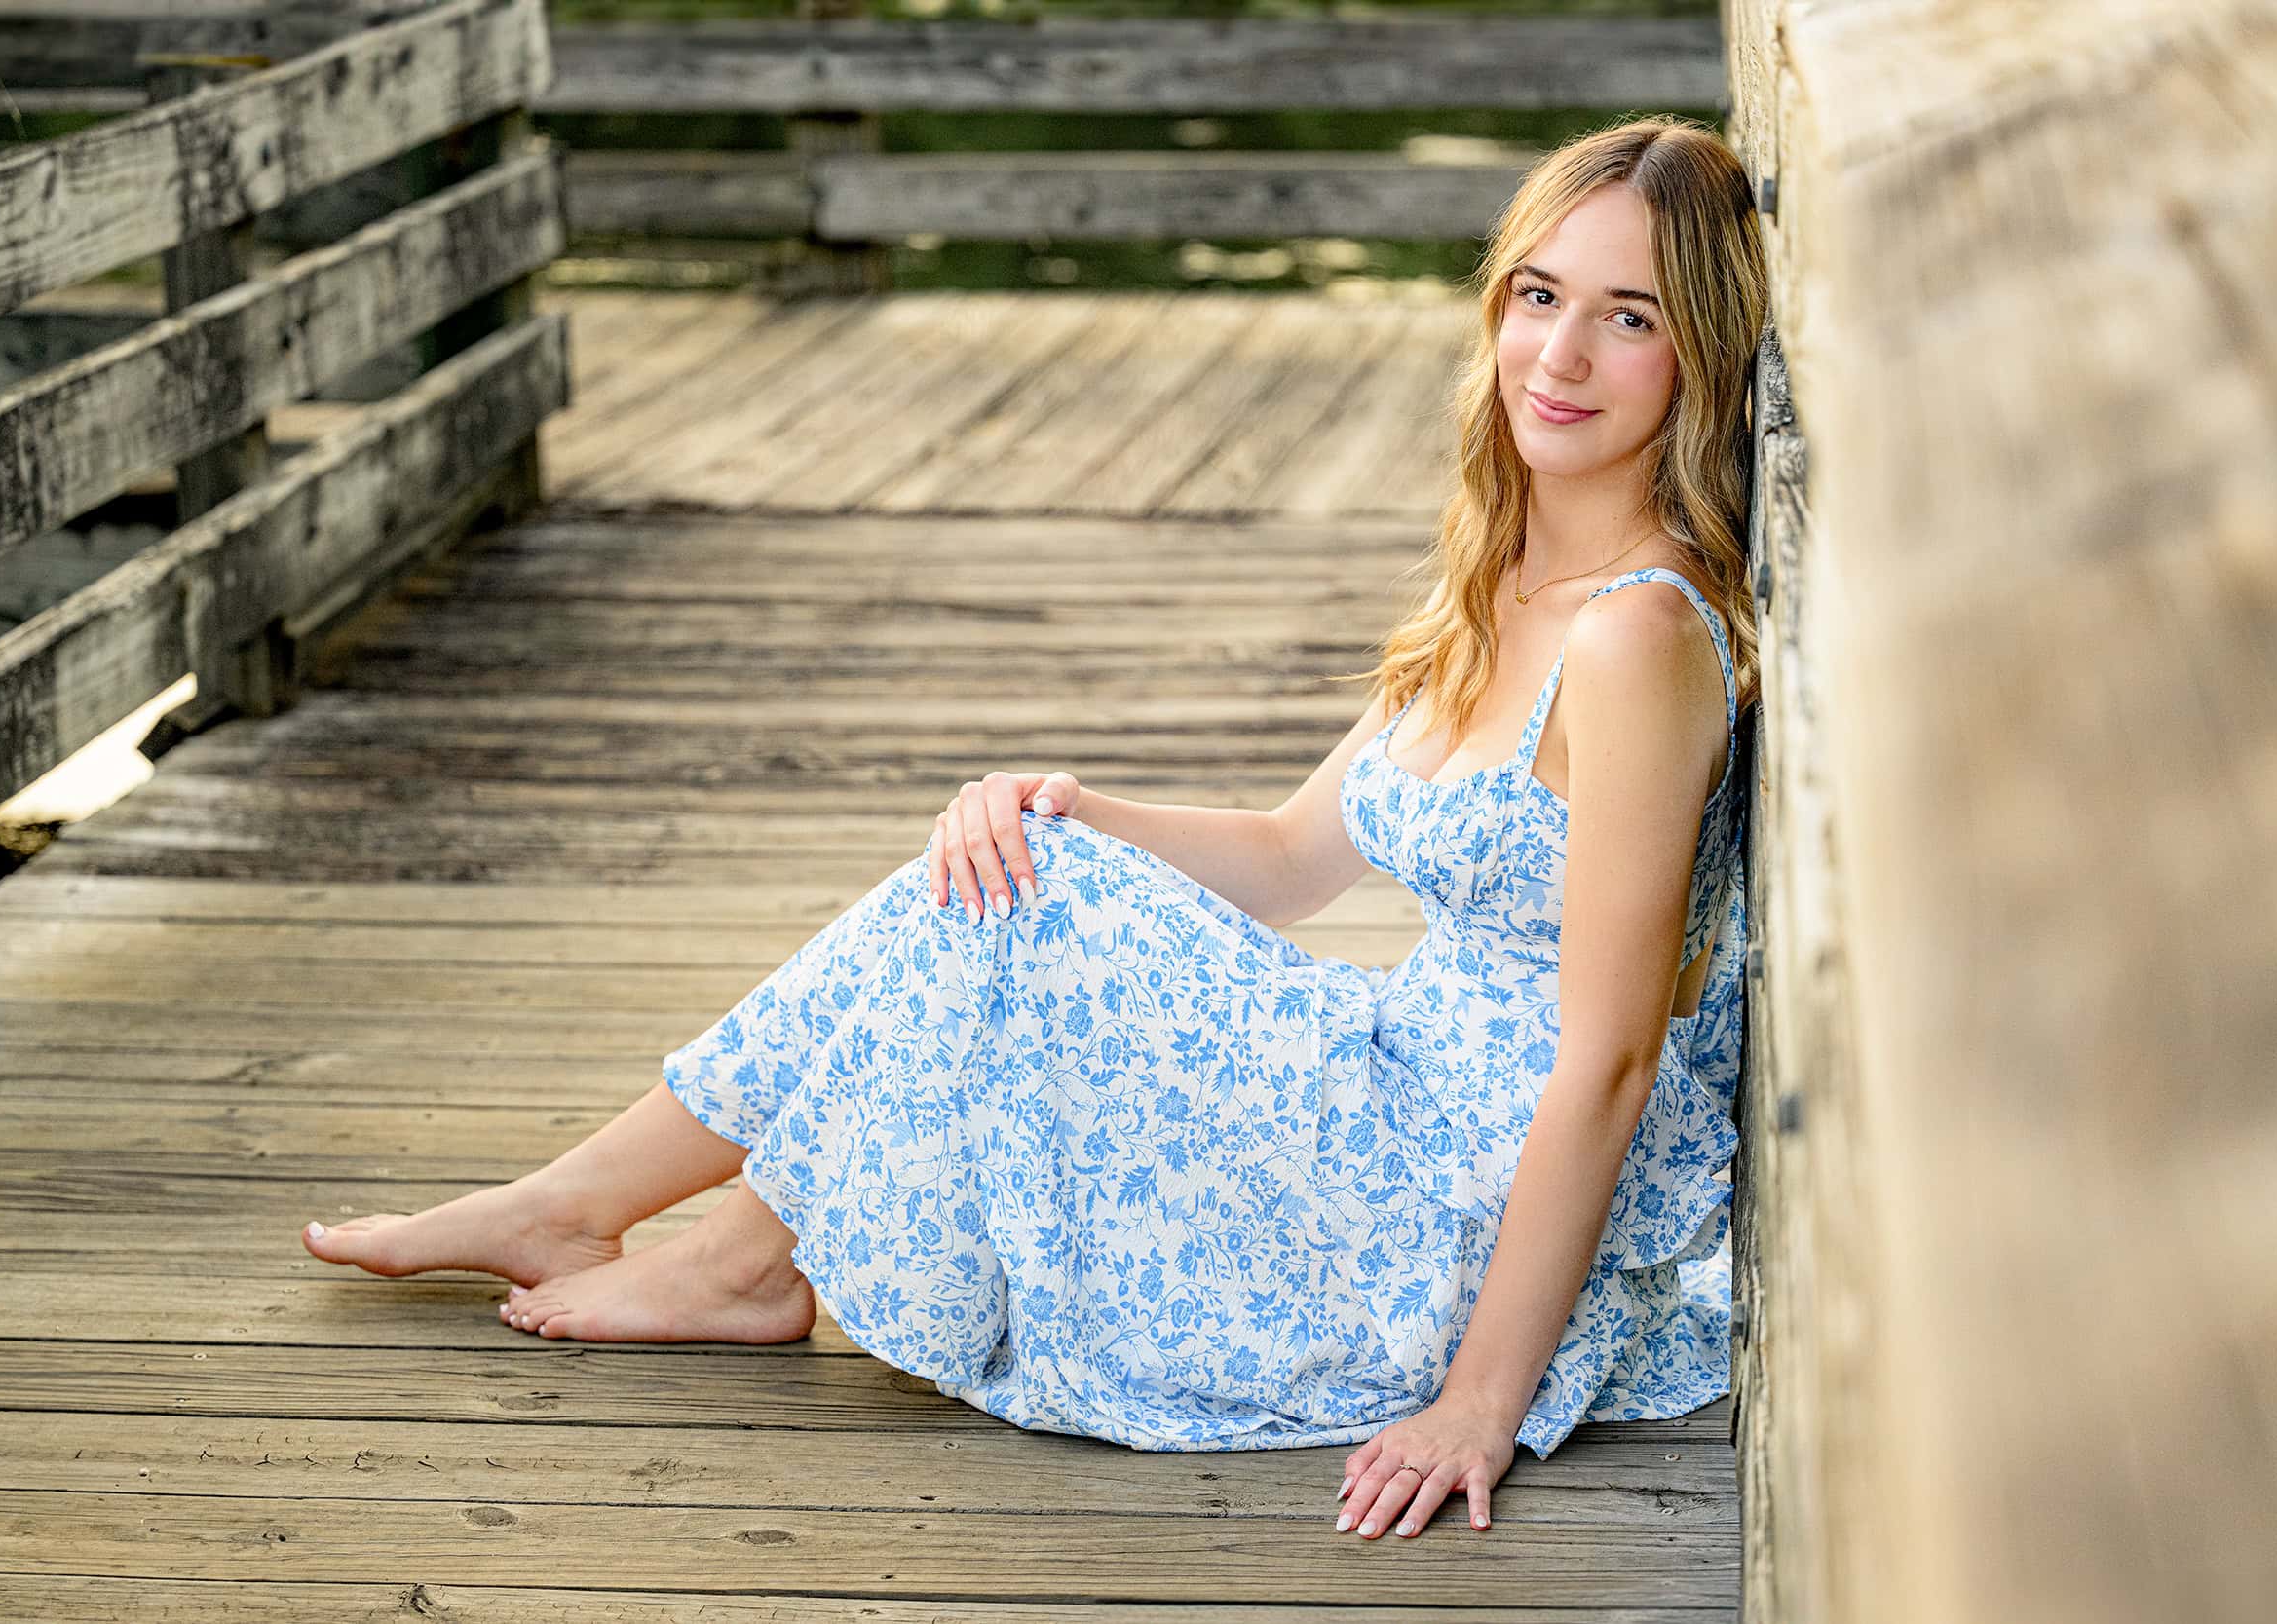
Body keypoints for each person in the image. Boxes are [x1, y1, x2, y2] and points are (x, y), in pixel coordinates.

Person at [301, 112, 1767, 1546]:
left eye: (1628, 318)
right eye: (1538, 297)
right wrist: (1053, 802)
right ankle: (687, 1241)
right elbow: (1287, 859)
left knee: (1020, 902)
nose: (1561, 357)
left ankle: (684, 1243)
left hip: (1454, 1198)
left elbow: (1615, 1051)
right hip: (1392, 1088)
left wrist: (1478, 1402)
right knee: (1012, 864)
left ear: (1696, 353)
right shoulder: (1512, 578)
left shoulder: (1638, 639)